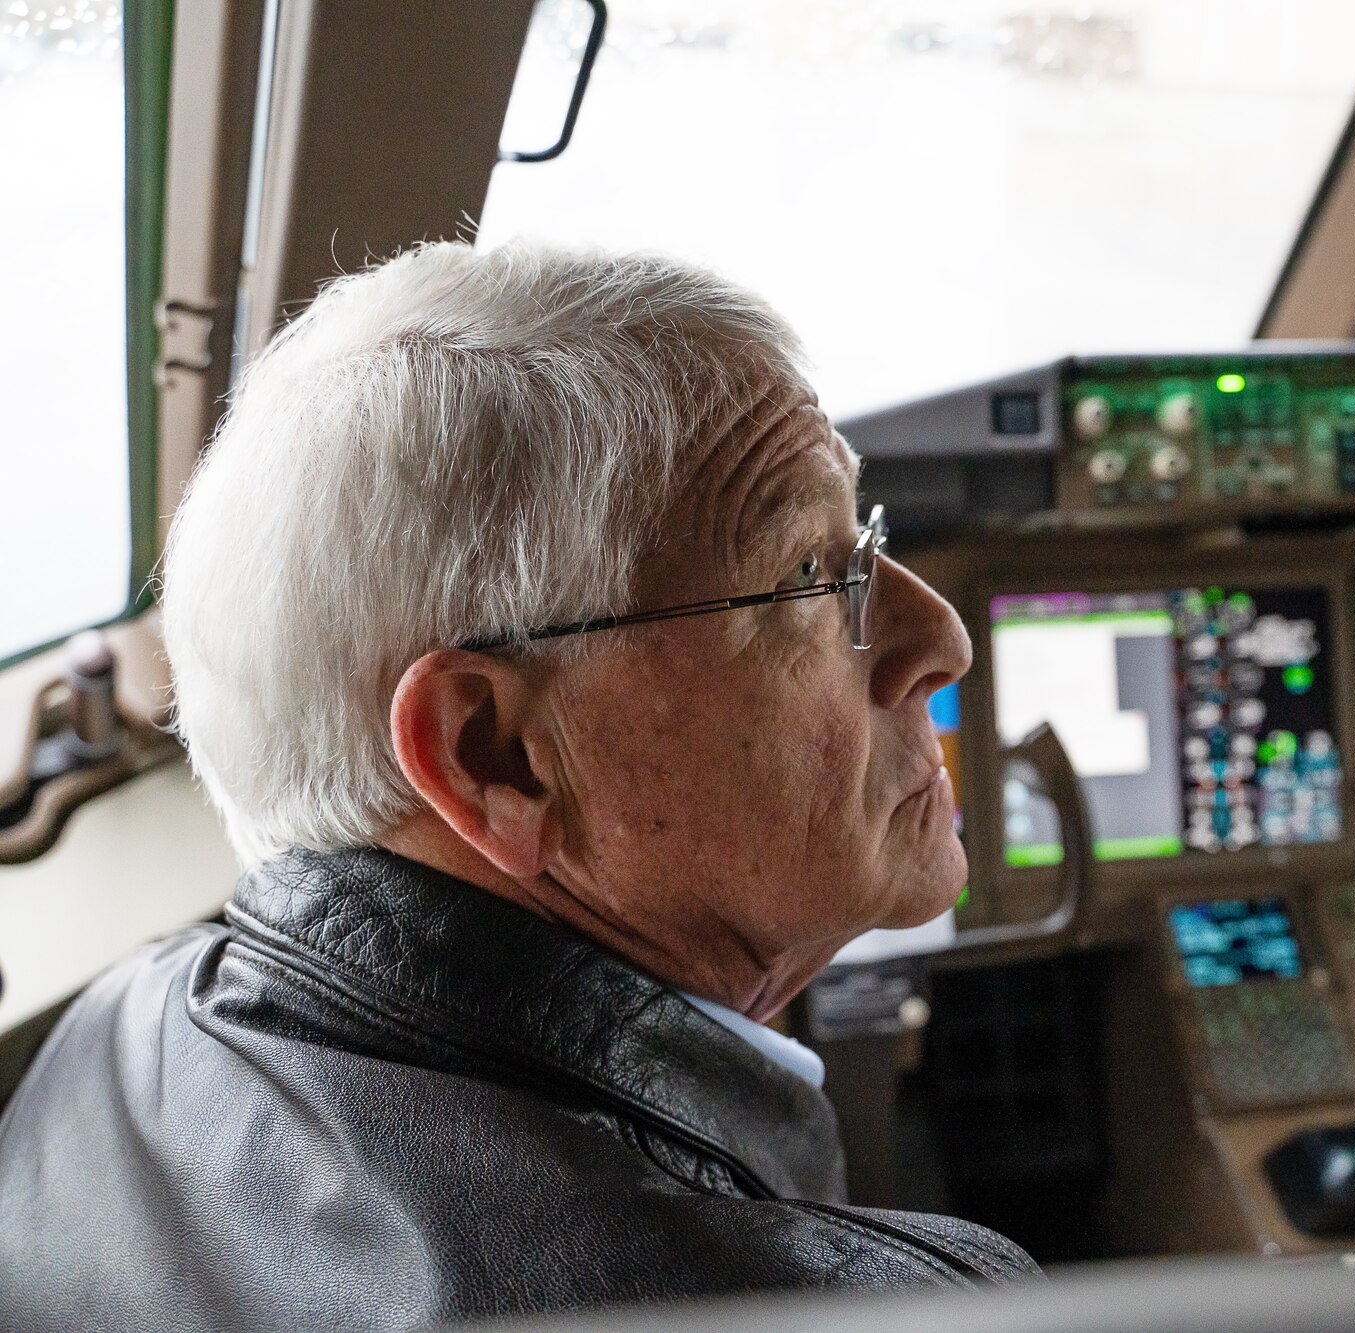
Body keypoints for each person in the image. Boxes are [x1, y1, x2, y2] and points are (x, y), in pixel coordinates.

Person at [0, 242, 1039, 1329]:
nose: (940, 638)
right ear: (493, 757)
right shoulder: (860, 1309)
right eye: (808, 580)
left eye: (861, 547)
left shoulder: (121, 1028)